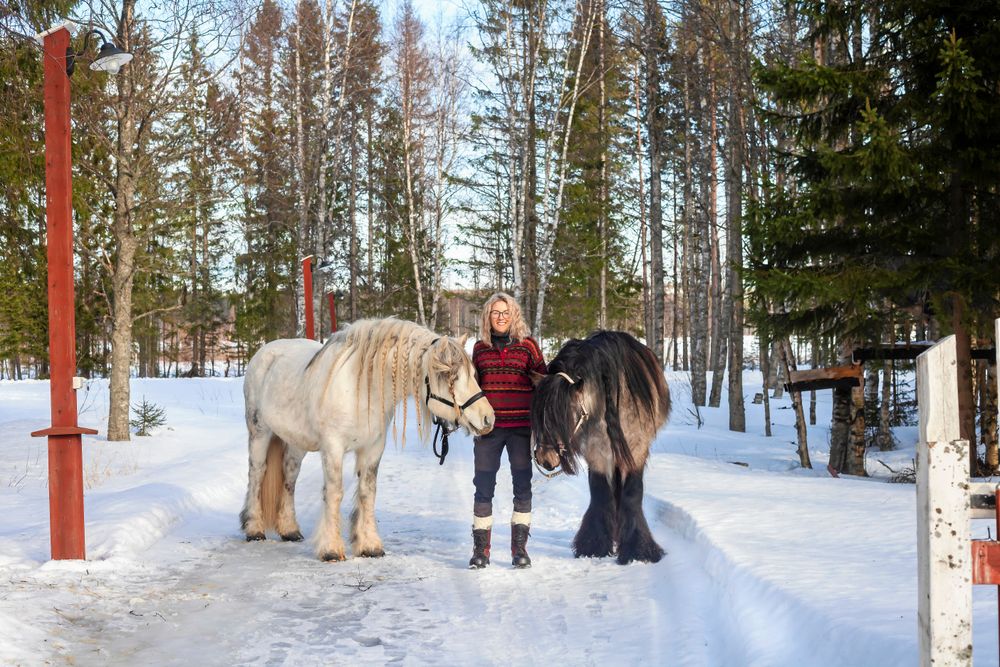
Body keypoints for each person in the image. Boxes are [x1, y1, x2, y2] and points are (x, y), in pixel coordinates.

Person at [468, 292, 547, 569]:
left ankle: (519, 549)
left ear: (513, 316)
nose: (500, 317)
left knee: (522, 487)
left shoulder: (528, 347)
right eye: (495, 312)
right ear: (488, 316)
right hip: (488, 430)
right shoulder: (479, 349)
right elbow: (471, 387)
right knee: (483, 488)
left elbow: (543, 382)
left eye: (505, 312)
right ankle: (481, 551)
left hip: (521, 429)